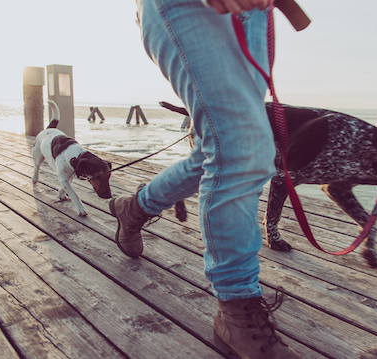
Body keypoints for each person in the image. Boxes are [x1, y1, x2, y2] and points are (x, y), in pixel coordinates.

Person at [110, 0, 306, 357]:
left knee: (222, 148)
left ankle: (134, 209)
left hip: (257, 12)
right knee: (239, 145)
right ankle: (237, 309)